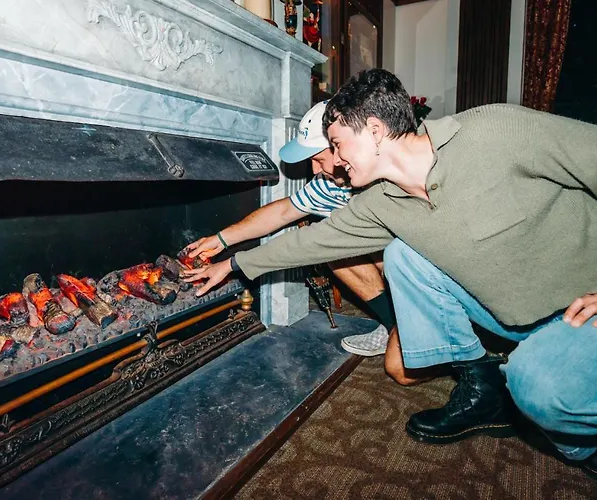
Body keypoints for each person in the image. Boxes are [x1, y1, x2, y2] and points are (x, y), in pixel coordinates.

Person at [183, 68, 597, 479]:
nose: (335, 161)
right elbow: (310, 242)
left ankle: (587, 447)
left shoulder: (494, 130)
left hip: (587, 304)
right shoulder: (380, 203)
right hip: (512, 316)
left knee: (536, 386)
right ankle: (484, 388)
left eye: (337, 144)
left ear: (375, 130)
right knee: (403, 255)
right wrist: (233, 263)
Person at [183, 101, 427, 386]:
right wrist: (221, 239)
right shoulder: (328, 185)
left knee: (400, 369)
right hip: (393, 262)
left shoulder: (387, 176)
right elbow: (283, 211)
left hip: (420, 270)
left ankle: (443, 340)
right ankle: (393, 324)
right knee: (332, 245)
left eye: (318, 158)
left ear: (341, 147)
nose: (313, 168)